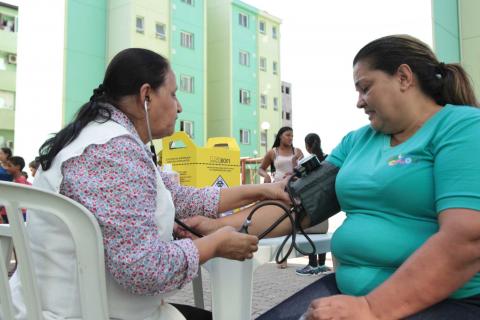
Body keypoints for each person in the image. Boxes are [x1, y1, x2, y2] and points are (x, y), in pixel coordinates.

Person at [183, 35, 480, 319]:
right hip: (352, 293)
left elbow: (465, 240)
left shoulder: (462, 127)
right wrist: (216, 226)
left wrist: (372, 309)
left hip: (443, 300)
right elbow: (297, 205)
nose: (359, 102)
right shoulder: (358, 141)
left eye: (365, 88)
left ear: (404, 78)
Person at [8, 48, 290, 320]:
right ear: (146, 96)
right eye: (173, 93)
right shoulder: (114, 152)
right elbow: (143, 269)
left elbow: (178, 198)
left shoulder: (100, 137)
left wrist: (261, 189)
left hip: (55, 306)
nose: (179, 106)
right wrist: (214, 245)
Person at [258, 126, 303, 268]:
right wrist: (265, 176)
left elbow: (304, 170)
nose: (290, 138)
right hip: (277, 189)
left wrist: (296, 167)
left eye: (292, 136)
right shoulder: (273, 152)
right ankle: (280, 255)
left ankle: (285, 255)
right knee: (278, 221)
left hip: (294, 188)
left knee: (291, 223)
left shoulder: (298, 152)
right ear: (280, 136)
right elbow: (261, 168)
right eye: (288, 135)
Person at [295, 133, 331, 276]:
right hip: (327, 204)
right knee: (321, 235)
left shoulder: (306, 162)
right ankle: (322, 265)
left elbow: (300, 182)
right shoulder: (328, 159)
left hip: (311, 204)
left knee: (310, 234)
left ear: (307, 146)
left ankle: (312, 265)